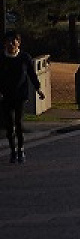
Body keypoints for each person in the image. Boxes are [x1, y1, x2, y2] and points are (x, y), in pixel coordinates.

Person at [1, 32, 45, 164]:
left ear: (18, 43)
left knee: (18, 123)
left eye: (13, 41)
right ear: (4, 44)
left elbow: (32, 74)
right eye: (8, 41)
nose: (11, 44)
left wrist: (38, 89)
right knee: (9, 126)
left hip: (20, 95)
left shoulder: (25, 57)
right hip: (5, 96)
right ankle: (12, 151)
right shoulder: (1, 58)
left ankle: (21, 149)